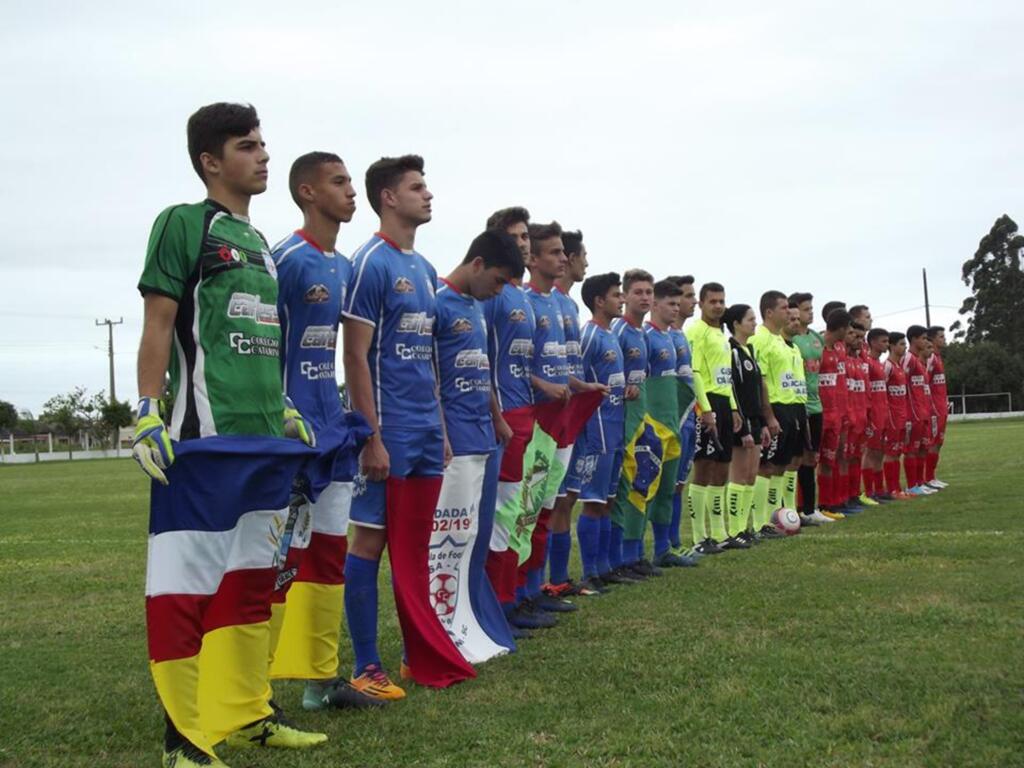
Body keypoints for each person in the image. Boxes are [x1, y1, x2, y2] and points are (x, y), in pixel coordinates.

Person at [134, 102, 326, 767]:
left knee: (251, 583)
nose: (264, 155)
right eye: (248, 146)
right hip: (202, 443)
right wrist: (144, 410)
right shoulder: (184, 224)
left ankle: (246, 714)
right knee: (186, 591)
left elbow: (262, 339)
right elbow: (160, 323)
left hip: (265, 444)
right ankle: (182, 743)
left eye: (264, 143)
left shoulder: (259, 246)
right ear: (212, 161)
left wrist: (284, 406)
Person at [342, 154, 475, 699]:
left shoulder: (423, 270)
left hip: (424, 427)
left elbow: (428, 359)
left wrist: (440, 426)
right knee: (369, 541)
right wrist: (370, 435)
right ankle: (365, 665)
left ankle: (414, 649)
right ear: (388, 198)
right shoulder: (370, 262)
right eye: (418, 187)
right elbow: (355, 357)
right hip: (388, 429)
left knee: (416, 546)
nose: (429, 195)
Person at [269, 151, 380, 712]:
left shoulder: (344, 267)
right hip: (290, 435)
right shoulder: (284, 258)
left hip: (333, 431)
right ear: (308, 192)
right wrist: (281, 418)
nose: (350, 192)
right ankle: (252, 686)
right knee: (273, 558)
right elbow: (264, 349)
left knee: (328, 553)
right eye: (339, 183)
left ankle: (319, 680)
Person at [433, 229, 524, 660]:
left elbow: (484, 369)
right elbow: (429, 376)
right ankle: (441, 625)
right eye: (500, 280)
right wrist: (443, 434)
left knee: (474, 536)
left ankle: (469, 620)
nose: (500, 290)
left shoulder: (479, 308)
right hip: (454, 445)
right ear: (477, 264)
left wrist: (497, 418)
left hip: (484, 439)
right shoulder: (436, 301)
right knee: (447, 541)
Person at [480, 207, 546, 635]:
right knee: (501, 516)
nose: (524, 244)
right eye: (517, 237)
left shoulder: (520, 295)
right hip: (501, 417)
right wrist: (495, 413)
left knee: (520, 511)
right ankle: (496, 605)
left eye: (527, 237)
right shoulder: (494, 293)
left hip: (527, 413)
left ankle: (514, 596)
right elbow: (479, 357)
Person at [573, 272, 628, 592]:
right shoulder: (590, 335)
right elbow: (577, 381)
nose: (620, 299)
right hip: (596, 431)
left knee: (608, 499)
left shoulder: (610, 335)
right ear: (598, 301)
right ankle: (589, 573)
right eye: (616, 294)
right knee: (593, 500)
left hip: (616, 426)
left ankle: (606, 567)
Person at [545, 228, 590, 597]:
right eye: (581, 255)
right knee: (548, 499)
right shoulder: (541, 300)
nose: (584, 262)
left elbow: (566, 364)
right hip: (545, 414)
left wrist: (582, 387)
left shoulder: (568, 305)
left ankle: (557, 578)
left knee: (566, 497)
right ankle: (540, 582)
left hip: (571, 411)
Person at [686, 282, 743, 554]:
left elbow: (726, 376)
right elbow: (695, 372)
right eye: (713, 301)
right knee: (704, 466)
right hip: (706, 401)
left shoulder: (721, 333)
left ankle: (720, 533)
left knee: (722, 465)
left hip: (723, 401)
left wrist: (732, 408)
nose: (718, 306)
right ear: (701, 303)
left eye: (722, 301)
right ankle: (699, 538)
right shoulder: (696, 331)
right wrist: (705, 409)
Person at [609, 269, 655, 579]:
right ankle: (615, 560)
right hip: (618, 418)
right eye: (638, 291)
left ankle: (632, 554)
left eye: (648, 292)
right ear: (625, 296)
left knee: (639, 480)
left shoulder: (643, 334)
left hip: (639, 417)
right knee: (620, 485)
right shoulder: (619, 330)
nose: (644, 297)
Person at [644, 279, 693, 566]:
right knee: (647, 486)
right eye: (672, 303)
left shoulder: (676, 337)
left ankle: (666, 548)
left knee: (672, 485)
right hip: (654, 423)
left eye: (679, 303)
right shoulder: (646, 335)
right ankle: (635, 553)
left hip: (679, 420)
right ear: (655, 304)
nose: (676, 309)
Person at [749, 291, 801, 538]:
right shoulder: (760, 339)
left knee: (780, 465)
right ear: (769, 312)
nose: (787, 312)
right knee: (766, 466)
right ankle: (760, 522)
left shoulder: (780, 340)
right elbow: (761, 381)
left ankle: (776, 518)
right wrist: (768, 416)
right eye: (783, 308)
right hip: (774, 408)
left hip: (789, 407)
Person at [723, 304, 772, 544]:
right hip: (740, 422)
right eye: (750, 319)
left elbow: (755, 392)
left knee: (751, 476)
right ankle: (735, 530)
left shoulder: (749, 350)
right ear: (736, 324)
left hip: (754, 420)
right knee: (739, 477)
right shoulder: (730, 350)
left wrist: (762, 423)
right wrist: (742, 428)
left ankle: (746, 528)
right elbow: (733, 390)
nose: (755, 323)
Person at [666, 275, 702, 556]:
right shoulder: (663, 336)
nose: (694, 302)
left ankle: (675, 542)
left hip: (689, 418)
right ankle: (665, 545)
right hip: (671, 420)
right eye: (689, 296)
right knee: (667, 484)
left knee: (679, 484)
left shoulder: (681, 336)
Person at [790, 292, 832, 523]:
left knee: (812, 457)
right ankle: (801, 509)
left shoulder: (817, 338)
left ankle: (809, 508)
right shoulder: (792, 340)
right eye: (806, 309)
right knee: (799, 458)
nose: (810, 312)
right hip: (799, 405)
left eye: (811, 308)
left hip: (816, 405)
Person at [817, 308, 853, 519]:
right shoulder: (818, 347)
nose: (849, 331)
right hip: (819, 412)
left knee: (831, 459)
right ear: (840, 328)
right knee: (813, 460)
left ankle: (830, 503)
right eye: (848, 327)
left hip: (836, 413)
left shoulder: (839, 349)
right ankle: (810, 506)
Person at [902, 325, 937, 495]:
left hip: (922, 411)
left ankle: (919, 482)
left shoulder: (920, 361)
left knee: (922, 447)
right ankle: (911, 485)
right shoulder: (908, 358)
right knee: (912, 449)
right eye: (923, 338)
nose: (925, 341)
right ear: (914, 339)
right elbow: (901, 382)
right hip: (912, 412)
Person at [842, 322, 872, 511]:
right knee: (840, 458)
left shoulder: (859, 361)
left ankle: (853, 495)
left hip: (860, 415)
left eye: (861, 337)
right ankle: (839, 499)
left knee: (854, 457)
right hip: (847, 415)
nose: (859, 340)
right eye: (855, 335)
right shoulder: (842, 359)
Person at [882, 332, 914, 499]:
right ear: (892, 346)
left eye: (905, 344)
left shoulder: (900, 367)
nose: (904, 347)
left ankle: (897, 488)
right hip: (892, 417)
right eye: (901, 344)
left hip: (902, 416)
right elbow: (881, 391)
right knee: (891, 453)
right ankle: (892, 489)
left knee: (898, 452)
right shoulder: (887, 366)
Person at [862, 327, 893, 503]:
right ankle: (869, 491)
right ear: (872, 342)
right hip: (873, 413)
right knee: (870, 452)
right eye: (883, 341)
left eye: (887, 341)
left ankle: (879, 489)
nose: (886, 345)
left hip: (883, 412)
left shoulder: (879, 364)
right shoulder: (867, 363)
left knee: (880, 451)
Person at [925, 326, 950, 488]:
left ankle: (932, 476)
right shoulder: (931, 358)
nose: (944, 339)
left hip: (941, 407)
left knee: (939, 442)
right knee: (932, 442)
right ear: (932, 339)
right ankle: (927, 478)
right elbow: (924, 381)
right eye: (941, 336)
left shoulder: (938, 357)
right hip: (933, 408)